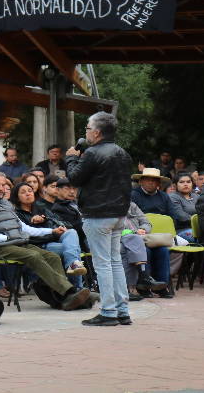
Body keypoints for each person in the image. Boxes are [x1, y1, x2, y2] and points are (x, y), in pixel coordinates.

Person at [0, 171, 91, 311]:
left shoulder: (5, 203)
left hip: (16, 243)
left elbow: (23, 227)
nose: (1, 188)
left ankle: (62, 298)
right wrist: (5, 238)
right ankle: (69, 293)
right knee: (34, 256)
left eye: (3, 184)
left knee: (52, 257)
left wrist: (50, 231)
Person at [66, 111, 134, 326]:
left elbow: (75, 177)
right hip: (118, 213)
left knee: (103, 264)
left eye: (87, 128)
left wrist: (70, 158)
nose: (85, 132)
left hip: (98, 214)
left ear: (96, 132)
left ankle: (108, 312)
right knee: (115, 262)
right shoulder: (123, 153)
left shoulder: (93, 153)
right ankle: (122, 310)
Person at [11, 182, 87, 289]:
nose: (28, 194)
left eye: (30, 191)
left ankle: (73, 271)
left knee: (71, 233)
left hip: (53, 241)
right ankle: (77, 287)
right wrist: (53, 234)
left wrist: (46, 219)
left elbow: (67, 225)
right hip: (39, 246)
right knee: (73, 250)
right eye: (23, 192)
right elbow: (27, 237)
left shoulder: (41, 209)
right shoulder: (16, 215)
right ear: (17, 197)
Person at [120, 203, 170, 300]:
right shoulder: (107, 205)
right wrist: (134, 232)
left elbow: (146, 222)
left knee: (162, 250)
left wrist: (143, 229)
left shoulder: (131, 205)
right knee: (146, 250)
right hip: (124, 238)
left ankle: (162, 286)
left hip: (141, 237)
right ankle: (144, 284)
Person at [49, 178, 87, 248]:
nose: (72, 191)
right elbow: (75, 227)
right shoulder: (58, 208)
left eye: (74, 188)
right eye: (67, 188)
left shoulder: (76, 203)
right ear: (57, 190)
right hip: (78, 241)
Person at [168, 173, 198, 241]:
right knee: (201, 236)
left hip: (199, 228)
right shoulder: (172, 197)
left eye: (188, 182)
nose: (185, 184)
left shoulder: (196, 196)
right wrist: (202, 221)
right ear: (175, 185)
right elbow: (181, 216)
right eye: (181, 182)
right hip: (180, 230)